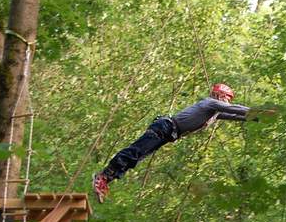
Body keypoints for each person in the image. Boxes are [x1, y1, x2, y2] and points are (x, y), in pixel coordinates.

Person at [92, 83, 255, 203]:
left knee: (137, 158)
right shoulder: (209, 103)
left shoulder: (215, 113)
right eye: (227, 99)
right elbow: (234, 109)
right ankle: (102, 176)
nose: (227, 102)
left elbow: (237, 115)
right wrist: (258, 111)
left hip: (168, 133)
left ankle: (106, 180)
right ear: (220, 96)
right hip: (165, 127)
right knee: (136, 151)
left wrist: (257, 117)